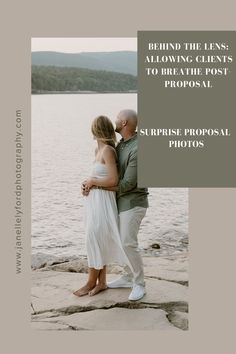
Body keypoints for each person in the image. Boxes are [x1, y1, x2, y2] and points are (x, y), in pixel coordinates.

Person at [81, 109, 149, 301]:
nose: (115, 121)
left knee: (128, 242)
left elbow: (127, 184)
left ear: (125, 123)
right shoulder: (121, 145)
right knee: (119, 240)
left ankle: (139, 283)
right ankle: (128, 276)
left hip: (134, 202)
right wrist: (90, 184)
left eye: (118, 118)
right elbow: (105, 173)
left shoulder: (138, 148)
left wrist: (95, 185)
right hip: (119, 201)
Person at [73, 115, 134, 297]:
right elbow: (99, 177)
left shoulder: (108, 150)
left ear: (95, 131)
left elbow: (113, 180)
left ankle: (91, 282)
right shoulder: (97, 151)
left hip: (104, 203)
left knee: (94, 238)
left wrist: (93, 181)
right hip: (94, 202)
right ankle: (102, 283)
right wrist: (87, 184)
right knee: (98, 239)